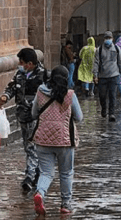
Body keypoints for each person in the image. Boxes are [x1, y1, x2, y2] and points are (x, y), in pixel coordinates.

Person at [31, 66, 82, 216]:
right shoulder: (70, 95)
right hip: (64, 141)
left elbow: (34, 113)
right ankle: (65, 204)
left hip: (43, 141)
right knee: (66, 173)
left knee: (46, 173)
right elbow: (79, 117)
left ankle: (40, 192)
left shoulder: (40, 91)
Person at [0, 47, 47, 193]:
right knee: (29, 146)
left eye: (22, 62)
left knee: (32, 147)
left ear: (30, 63)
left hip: (37, 117)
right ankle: (36, 173)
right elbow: (11, 88)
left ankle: (29, 177)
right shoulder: (20, 74)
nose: (20, 64)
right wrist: (4, 97)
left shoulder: (43, 76)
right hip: (23, 116)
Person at [93, 31, 121, 121]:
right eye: (106, 38)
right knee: (102, 95)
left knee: (112, 95)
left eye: (109, 38)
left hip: (114, 75)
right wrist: (95, 75)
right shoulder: (99, 50)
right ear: (104, 39)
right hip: (102, 76)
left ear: (112, 39)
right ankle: (104, 108)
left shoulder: (116, 49)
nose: (108, 40)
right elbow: (96, 63)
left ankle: (111, 113)